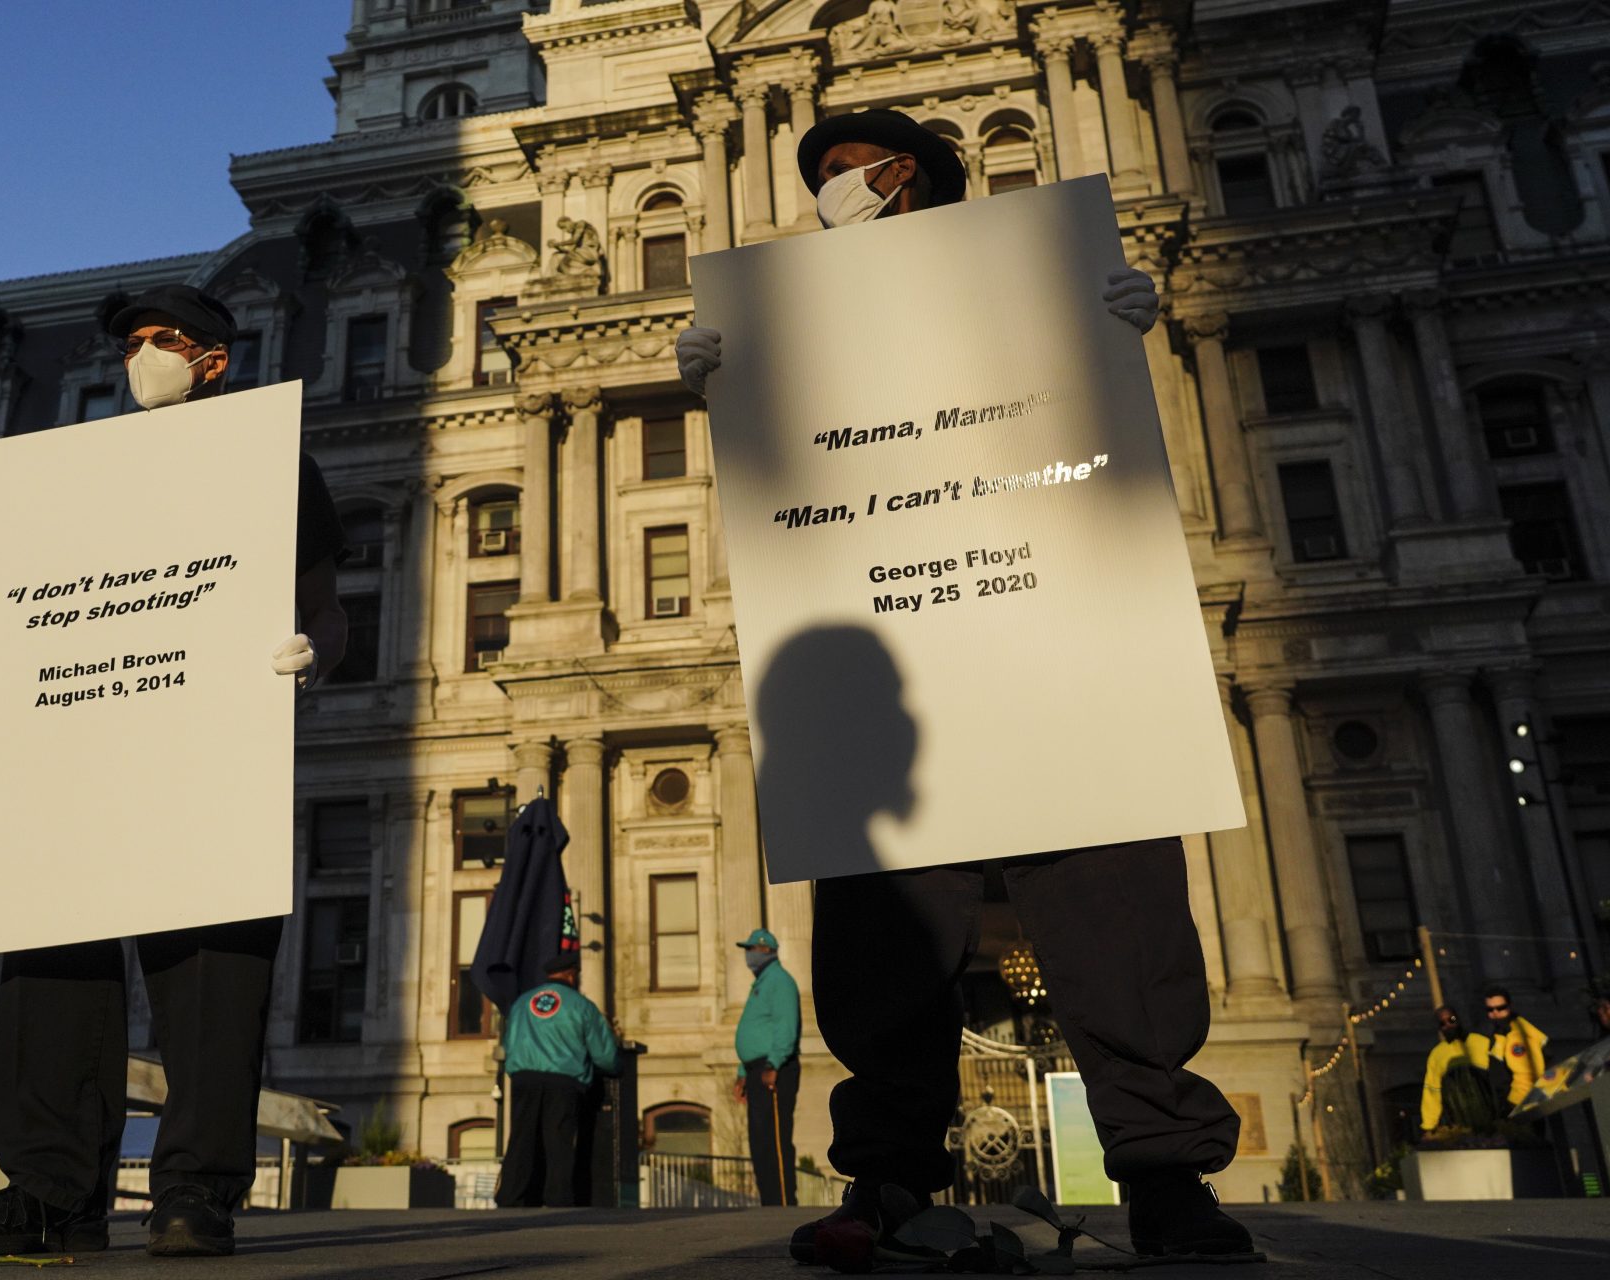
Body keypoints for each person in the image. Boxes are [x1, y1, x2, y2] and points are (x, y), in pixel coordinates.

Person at [673, 110, 1247, 1265]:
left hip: (1055, 640)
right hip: (888, 668)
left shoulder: (1028, 274)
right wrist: (721, 387)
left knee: (1115, 916)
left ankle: (1166, 1174)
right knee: (884, 940)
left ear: (920, 175)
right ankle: (888, 1177)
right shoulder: (794, 317)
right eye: (822, 175)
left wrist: (1116, 325)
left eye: (861, 170)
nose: (841, 187)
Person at [0, 283, 348, 1258]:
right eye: (129, 343)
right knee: (46, 942)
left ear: (214, 361)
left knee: (211, 964)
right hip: (74, 744)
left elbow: (327, 607)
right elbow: (25, 607)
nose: (139, 356)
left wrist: (307, 649)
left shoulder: (272, 463)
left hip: (208, 742)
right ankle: (49, 1188)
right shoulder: (69, 478)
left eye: (161, 340)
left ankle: (194, 1190)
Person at [496, 950, 620, 1208]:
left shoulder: (521, 1003)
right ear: (572, 975)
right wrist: (615, 1067)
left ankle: (512, 1197)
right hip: (563, 1082)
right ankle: (558, 1200)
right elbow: (604, 1054)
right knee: (559, 1142)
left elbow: (508, 1044)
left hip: (524, 1079)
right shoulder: (581, 1005)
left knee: (521, 1138)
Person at [732, 928, 802, 1206]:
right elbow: (757, 1031)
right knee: (759, 1142)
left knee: (774, 1140)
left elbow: (786, 1026)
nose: (747, 955)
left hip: (775, 1068)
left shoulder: (780, 981)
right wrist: (742, 1073)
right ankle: (769, 1201)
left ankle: (783, 1202)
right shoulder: (761, 983)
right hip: (756, 1069)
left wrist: (773, 1063)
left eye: (751, 949)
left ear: (764, 950)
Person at [1419, 1005, 1493, 1134]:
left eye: (1451, 1020)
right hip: (1458, 1119)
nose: (1448, 1025)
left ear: (1458, 1019)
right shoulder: (1437, 1054)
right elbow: (1432, 1090)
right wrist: (1429, 1125)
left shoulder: (1481, 1042)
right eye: (1442, 1023)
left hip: (1490, 1115)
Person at [1483, 984, 1549, 1109]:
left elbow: (1527, 1073)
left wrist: (1512, 1103)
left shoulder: (1518, 1034)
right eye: (1490, 1010)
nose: (1495, 1013)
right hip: (1514, 1102)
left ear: (1509, 1007)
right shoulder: (1501, 1033)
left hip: (1521, 1103)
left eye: (1500, 1008)